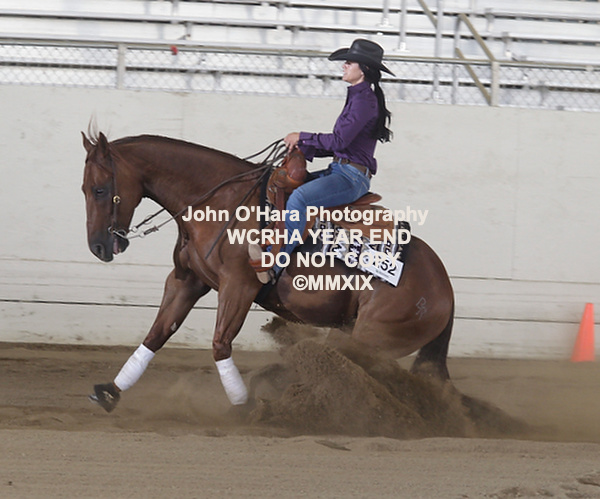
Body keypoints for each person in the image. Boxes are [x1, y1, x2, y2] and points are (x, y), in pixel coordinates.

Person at [249, 38, 394, 283]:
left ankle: (274, 263)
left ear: (364, 69)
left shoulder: (364, 102)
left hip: (350, 177)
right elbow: (342, 145)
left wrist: (302, 136)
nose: (344, 65)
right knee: (282, 187)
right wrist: (304, 147)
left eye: (350, 62)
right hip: (342, 171)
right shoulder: (359, 98)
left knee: (300, 198)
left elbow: (339, 141)